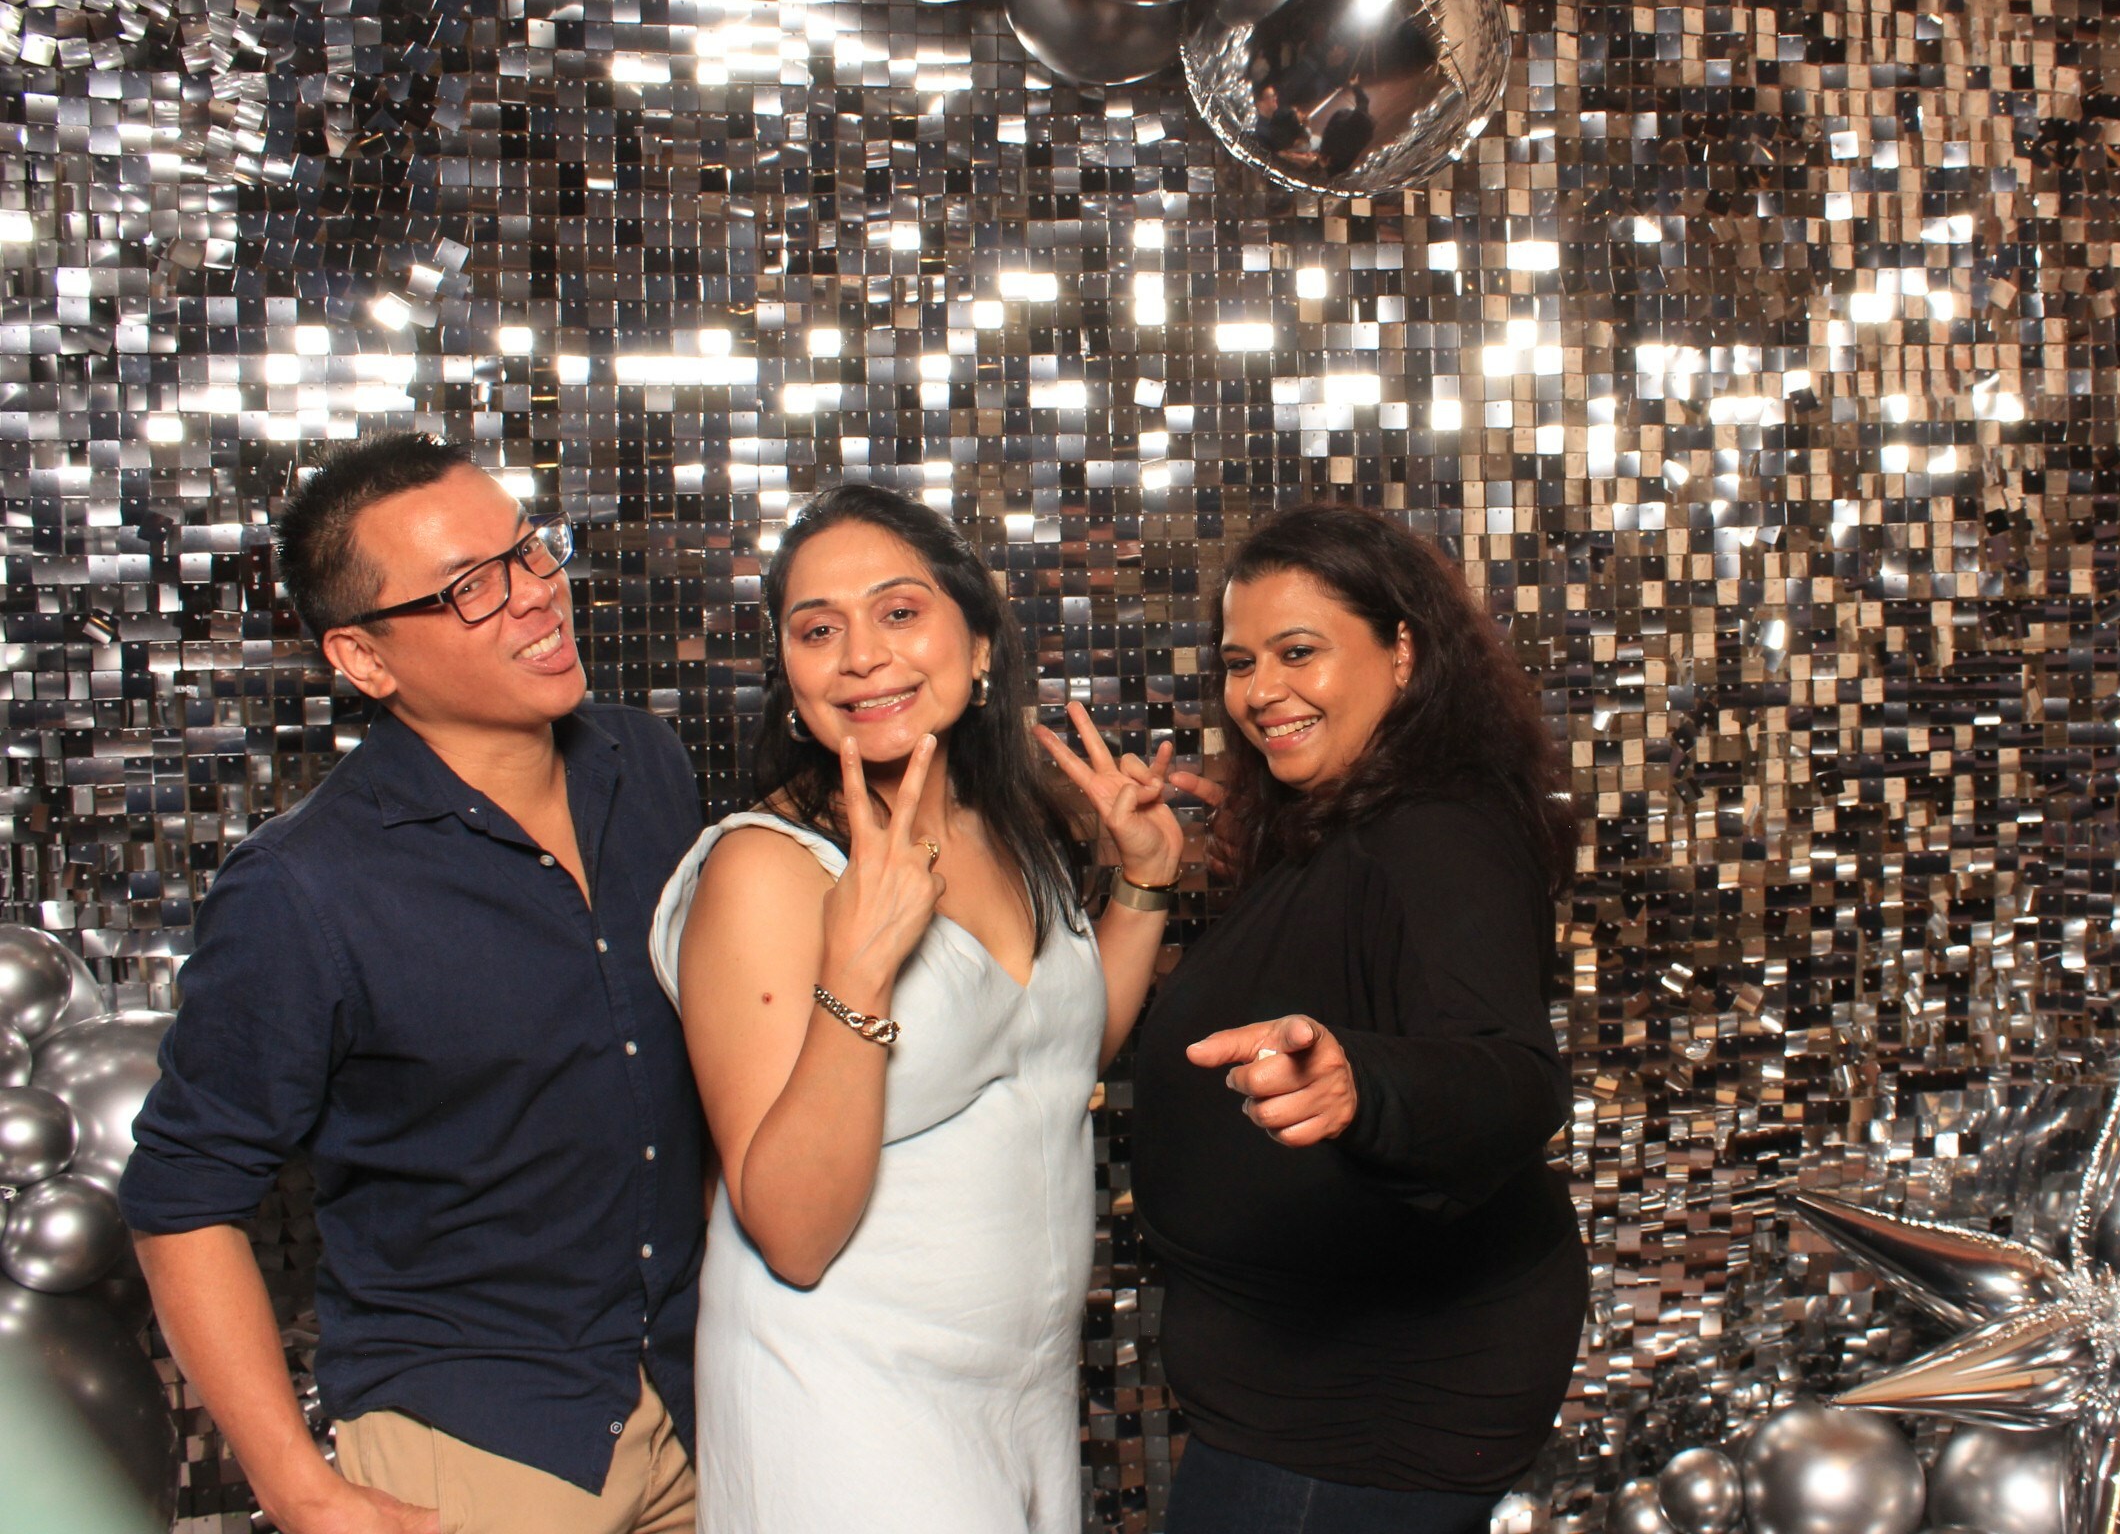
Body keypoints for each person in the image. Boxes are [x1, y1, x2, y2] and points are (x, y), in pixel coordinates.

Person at [120, 435, 707, 1534]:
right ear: (364, 658)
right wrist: (301, 1492)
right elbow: (180, 1200)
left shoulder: (648, 765)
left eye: (529, 551)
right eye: (470, 588)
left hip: (698, 1394)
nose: (535, 595)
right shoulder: (302, 887)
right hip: (480, 1439)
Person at [649, 484, 1186, 1533]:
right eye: (818, 630)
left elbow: (1050, 1059)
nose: (861, 656)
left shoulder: (1007, 827)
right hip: (843, 1399)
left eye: (899, 612)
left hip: (1021, 1398)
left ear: (978, 643)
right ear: (790, 674)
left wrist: (1145, 883)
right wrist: (857, 972)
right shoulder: (766, 869)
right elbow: (791, 1233)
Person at [1135, 502, 1589, 1534]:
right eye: (1241, 662)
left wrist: (1361, 1087)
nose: (1261, 691)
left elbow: (1515, 1078)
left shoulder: (1439, 832)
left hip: (1355, 1422)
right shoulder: (1354, 821)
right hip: (1302, 1407)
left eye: (1299, 652)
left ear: (1402, 652)